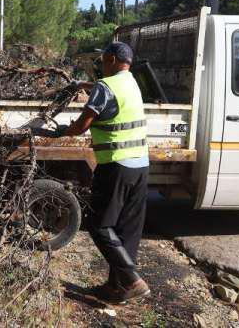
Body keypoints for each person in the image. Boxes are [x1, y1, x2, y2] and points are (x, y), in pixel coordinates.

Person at [58, 42, 150, 303]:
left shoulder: (105, 86)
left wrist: (62, 130)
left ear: (110, 59)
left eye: (103, 60)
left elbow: (83, 124)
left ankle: (133, 280)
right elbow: (107, 93)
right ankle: (118, 288)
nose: (101, 65)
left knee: (99, 225)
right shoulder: (130, 82)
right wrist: (83, 86)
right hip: (140, 165)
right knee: (127, 230)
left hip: (116, 165)